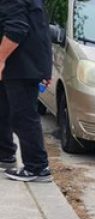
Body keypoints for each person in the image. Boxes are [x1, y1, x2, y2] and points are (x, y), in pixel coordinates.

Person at [0, 0, 52, 182]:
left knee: (23, 116)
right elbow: (40, 29)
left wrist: (0, 59)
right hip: (25, 64)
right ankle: (5, 153)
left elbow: (17, 28)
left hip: (22, 65)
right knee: (4, 109)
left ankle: (37, 167)